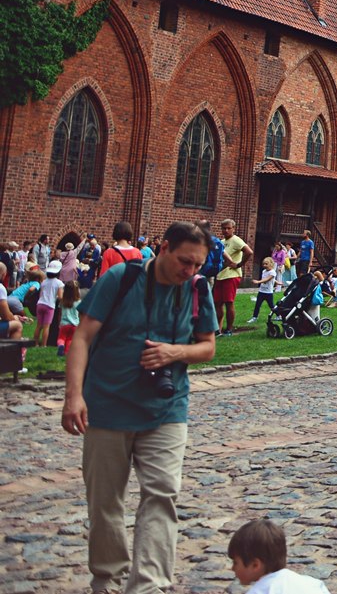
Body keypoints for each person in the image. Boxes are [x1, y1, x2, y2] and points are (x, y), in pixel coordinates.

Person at [62, 220, 218, 594]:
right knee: (105, 502)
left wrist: (175, 352)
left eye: (197, 265)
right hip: (108, 404)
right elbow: (82, 337)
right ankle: (108, 580)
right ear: (163, 248)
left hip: (166, 407)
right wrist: (74, 395)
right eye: (184, 262)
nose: (190, 271)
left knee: (162, 493)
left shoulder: (196, 288)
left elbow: (208, 346)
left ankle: (149, 585)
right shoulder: (121, 279)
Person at [228, 518, 331, 594]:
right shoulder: (311, 583)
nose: (232, 568)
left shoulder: (259, 591)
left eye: (235, 562)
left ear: (255, 565)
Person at [214, 220, 247, 336]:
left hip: (231, 275)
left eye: (228, 228)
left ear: (233, 228)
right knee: (217, 302)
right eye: (224, 228)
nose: (226, 230)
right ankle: (218, 328)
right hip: (220, 275)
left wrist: (239, 264)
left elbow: (249, 251)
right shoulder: (222, 242)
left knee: (229, 302)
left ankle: (229, 329)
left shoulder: (236, 240)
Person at [33, 258, 63, 345]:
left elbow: (41, 294)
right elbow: (60, 296)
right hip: (50, 305)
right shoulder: (59, 283)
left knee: (39, 325)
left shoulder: (43, 282)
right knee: (46, 326)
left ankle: (35, 343)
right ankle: (44, 345)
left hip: (40, 303)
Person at [56, 279, 82, 356]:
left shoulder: (63, 301)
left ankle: (61, 345)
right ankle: (67, 352)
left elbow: (59, 313)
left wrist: (59, 322)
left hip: (64, 324)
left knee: (61, 338)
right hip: (75, 325)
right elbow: (80, 314)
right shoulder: (79, 302)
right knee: (70, 339)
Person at [248, 257, 279, 323]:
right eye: (263, 264)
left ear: (271, 264)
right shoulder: (264, 271)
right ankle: (254, 317)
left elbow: (268, 279)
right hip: (261, 291)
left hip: (268, 293)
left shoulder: (272, 272)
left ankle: (279, 315)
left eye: (266, 264)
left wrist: (258, 282)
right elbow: (266, 278)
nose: (264, 265)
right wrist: (277, 282)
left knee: (271, 306)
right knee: (257, 305)